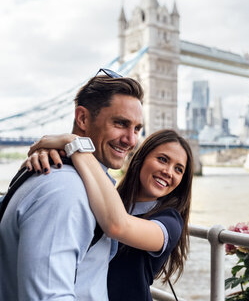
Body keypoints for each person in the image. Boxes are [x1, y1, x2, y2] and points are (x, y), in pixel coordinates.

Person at [0, 69, 144, 300]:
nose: (131, 140)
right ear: (83, 118)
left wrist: (72, 143)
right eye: (120, 123)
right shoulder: (66, 191)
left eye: (137, 128)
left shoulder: (58, 176)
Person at [26, 129, 194, 301]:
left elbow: (118, 226)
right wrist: (49, 158)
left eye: (178, 169)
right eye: (162, 159)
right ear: (141, 158)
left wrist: (75, 145)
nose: (169, 172)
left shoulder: (170, 222)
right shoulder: (110, 200)